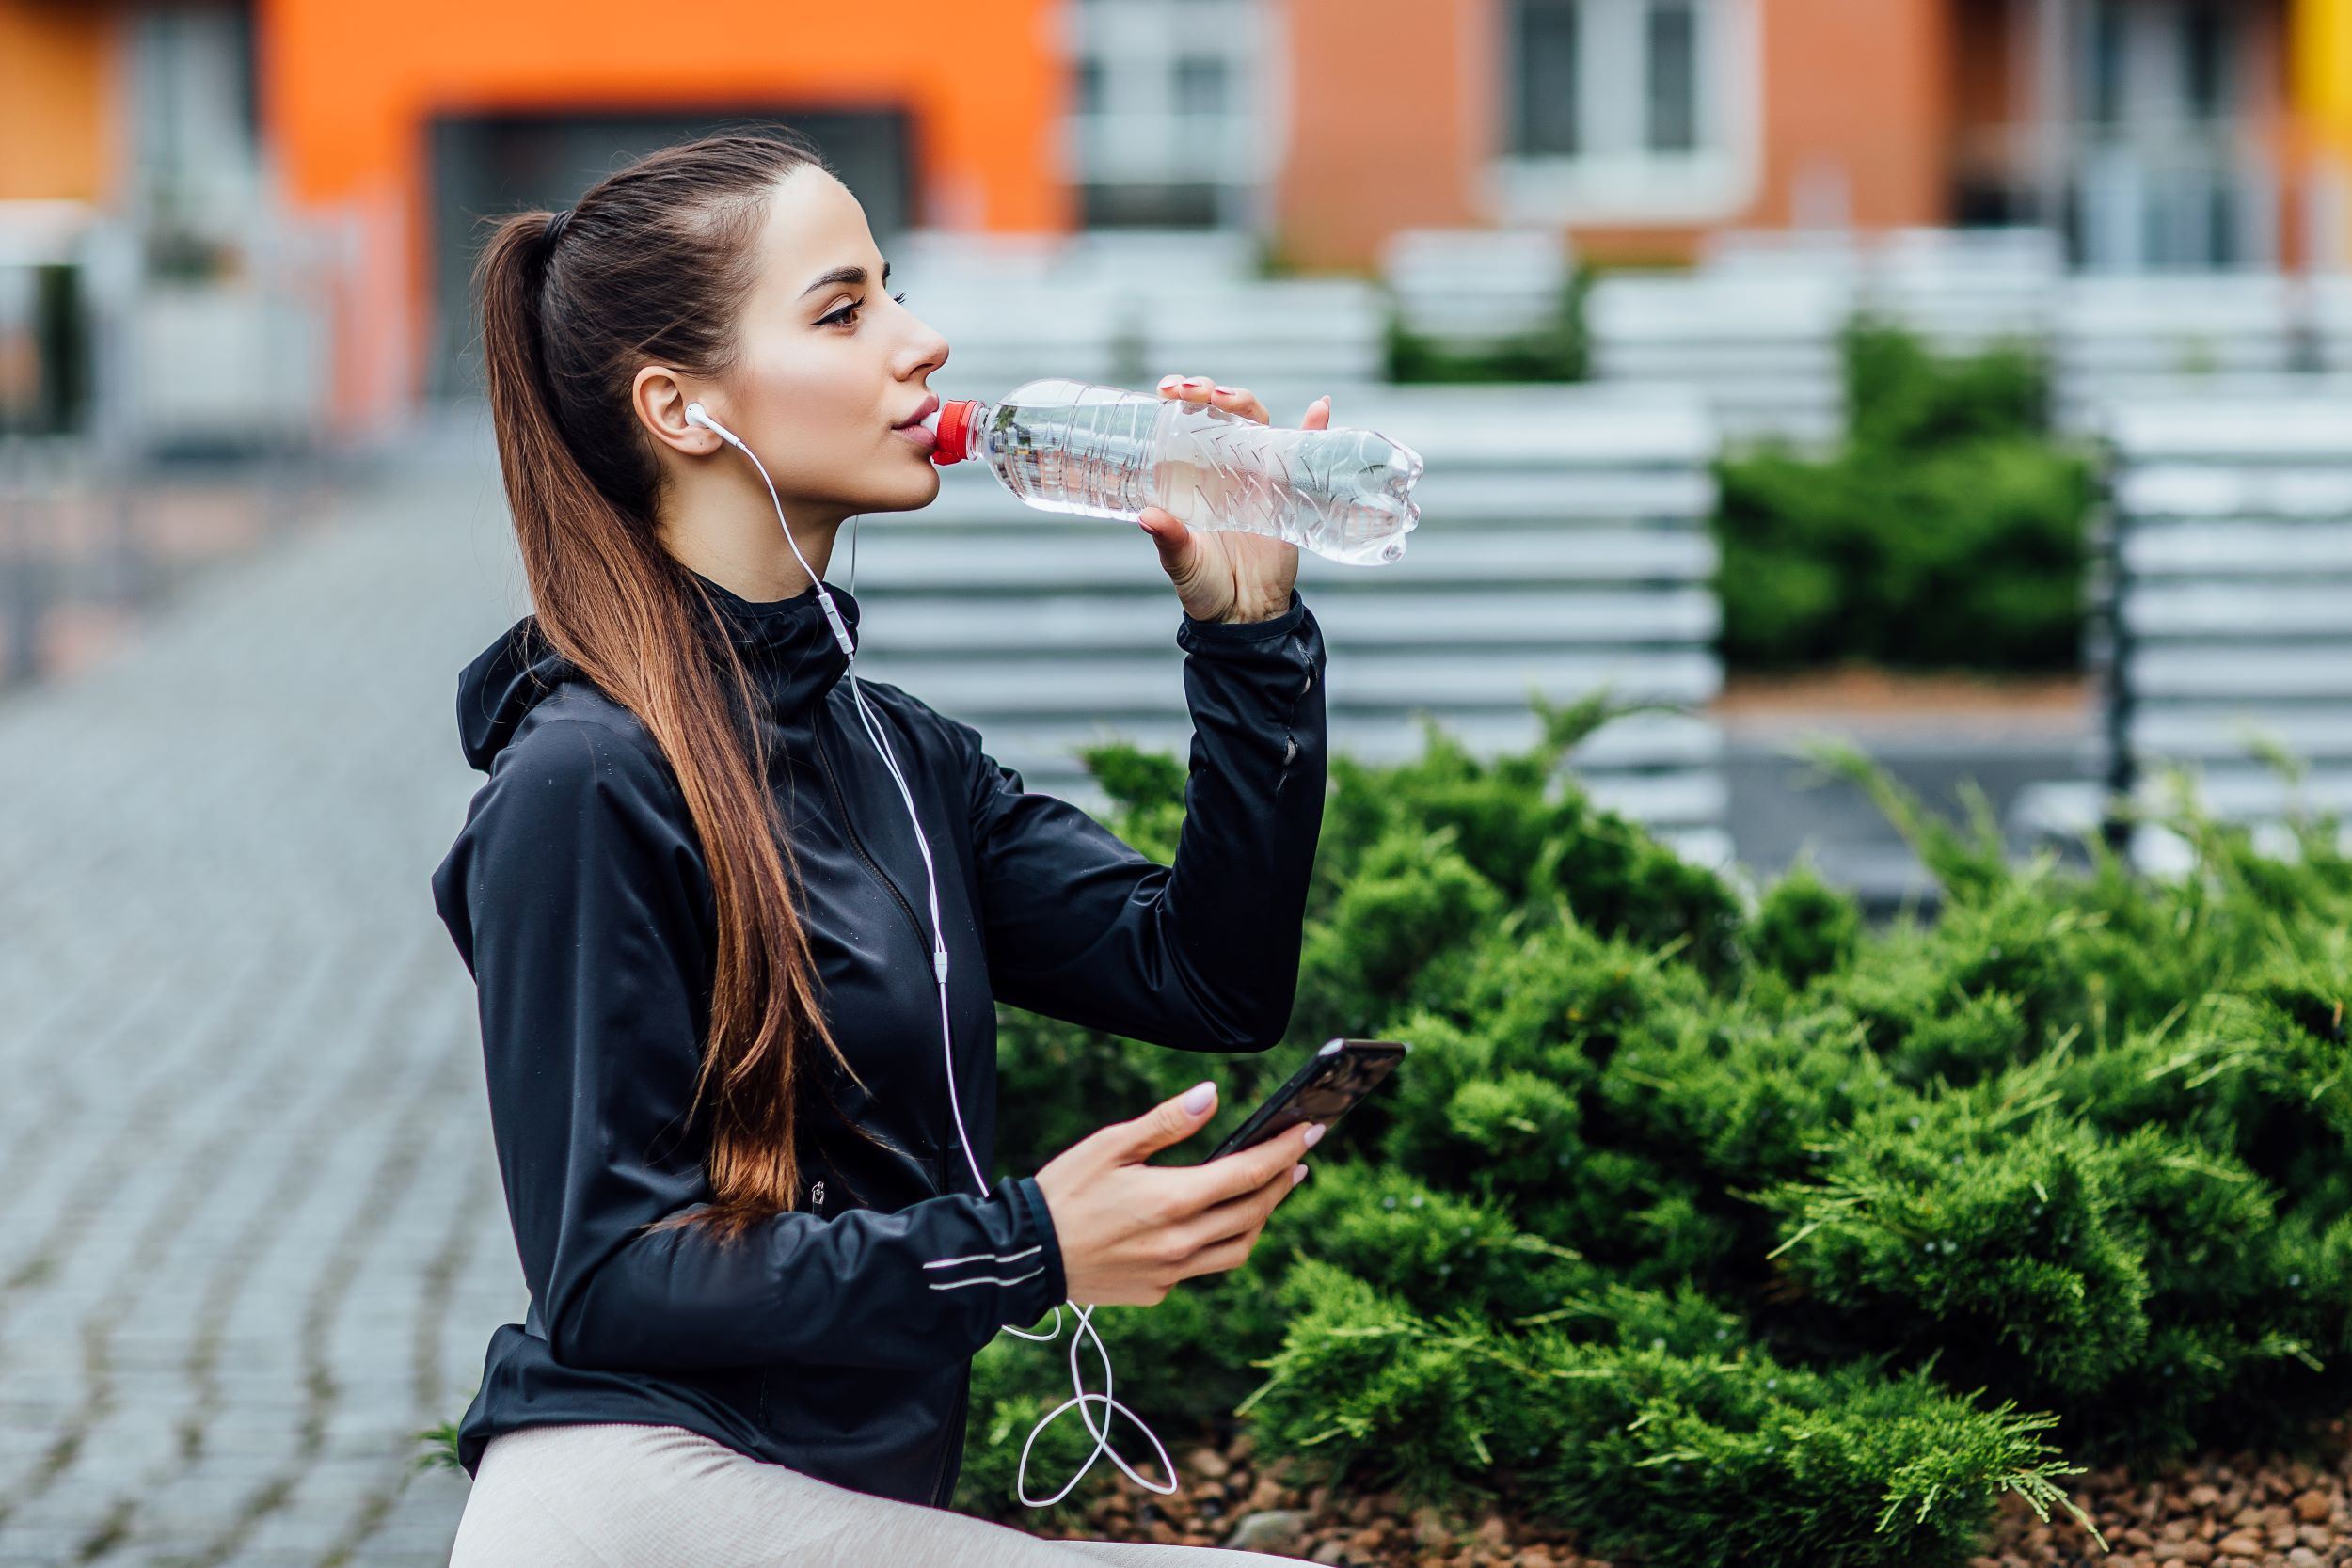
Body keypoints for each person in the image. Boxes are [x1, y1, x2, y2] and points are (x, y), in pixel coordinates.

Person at [429, 129, 1331, 1565]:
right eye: (844, 311)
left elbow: (1205, 979)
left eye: (891, 293)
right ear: (679, 406)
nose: (923, 344)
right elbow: (611, 1276)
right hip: (637, 1505)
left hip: (842, 1504)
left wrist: (1248, 641)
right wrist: (1028, 1246)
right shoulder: (583, 783)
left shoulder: (897, 756)